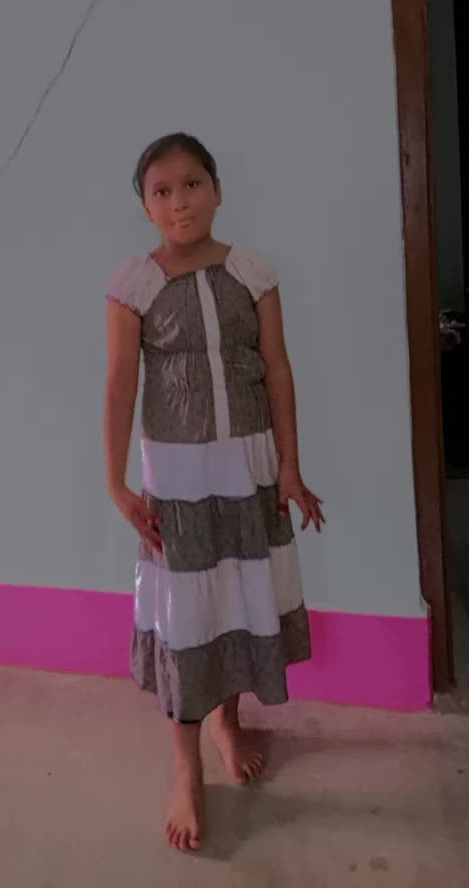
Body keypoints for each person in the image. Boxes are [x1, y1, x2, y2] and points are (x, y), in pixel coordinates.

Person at [104, 133, 324, 852]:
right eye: (162, 191)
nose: (180, 201)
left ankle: (229, 722)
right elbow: (120, 384)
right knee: (189, 617)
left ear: (218, 190)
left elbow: (279, 368)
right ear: (146, 207)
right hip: (179, 481)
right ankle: (185, 765)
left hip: (249, 472)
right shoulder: (134, 285)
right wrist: (116, 482)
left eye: (193, 183)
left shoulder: (253, 274)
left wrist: (289, 466)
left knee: (235, 603)